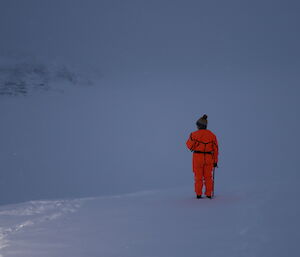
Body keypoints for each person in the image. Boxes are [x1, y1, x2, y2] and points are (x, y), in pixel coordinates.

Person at [186, 114, 219, 199]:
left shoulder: (193, 134)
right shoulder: (212, 135)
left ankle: (198, 194)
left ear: (198, 125)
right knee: (208, 177)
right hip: (209, 158)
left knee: (198, 177)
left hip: (198, 158)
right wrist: (215, 161)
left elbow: (189, 146)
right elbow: (215, 149)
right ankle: (209, 194)